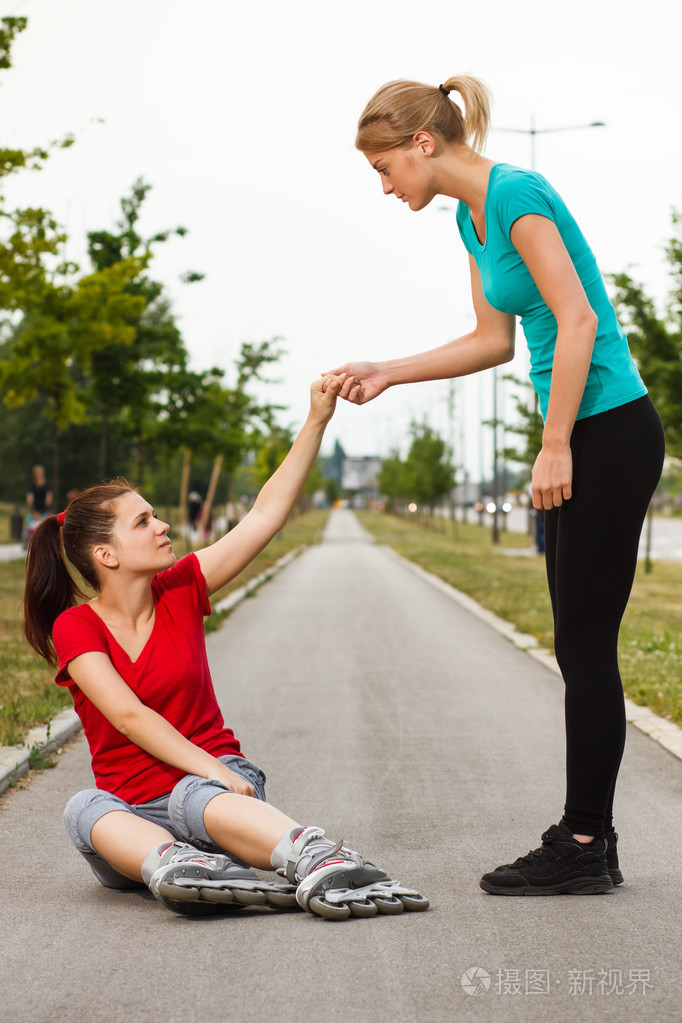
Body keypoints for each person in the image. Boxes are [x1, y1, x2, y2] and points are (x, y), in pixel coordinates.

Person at [325, 75, 665, 896]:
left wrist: (555, 444)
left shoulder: (516, 193)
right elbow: (493, 341)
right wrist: (389, 370)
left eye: (383, 167)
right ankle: (591, 834)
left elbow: (579, 318)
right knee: (575, 641)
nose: (384, 186)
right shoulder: (471, 221)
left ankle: (586, 841)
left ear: (423, 144)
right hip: (578, 430)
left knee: (585, 645)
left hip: (606, 429)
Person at [22, 377, 428, 921]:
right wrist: (208, 767)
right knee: (84, 808)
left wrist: (316, 420)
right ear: (106, 555)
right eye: (144, 521)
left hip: (214, 795)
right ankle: (178, 865)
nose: (164, 525)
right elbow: (126, 714)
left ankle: (315, 855)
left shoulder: (183, 589)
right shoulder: (78, 626)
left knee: (194, 796)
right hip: (137, 819)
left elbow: (263, 516)